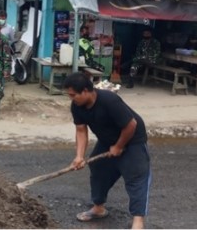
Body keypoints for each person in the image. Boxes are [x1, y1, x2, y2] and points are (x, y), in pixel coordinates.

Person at [64, 72, 151, 229]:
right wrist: (79, 156)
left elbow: (131, 125)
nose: (71, 98)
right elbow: (81, 130)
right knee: (98, 169)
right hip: (107, 140)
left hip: (132, 140)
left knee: (136, 177)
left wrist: (118, 146)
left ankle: (138, 221)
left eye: (73, 95)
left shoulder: (109, 100)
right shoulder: (77, 106)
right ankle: (98, 207)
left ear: (85, 91)